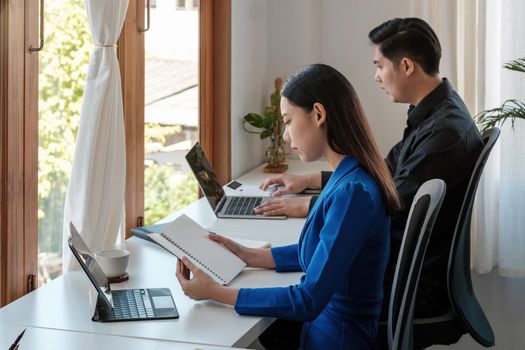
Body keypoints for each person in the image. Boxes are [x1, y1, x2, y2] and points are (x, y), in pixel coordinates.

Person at [256, 18, 483, 347]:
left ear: (405, 65)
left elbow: (388, 204)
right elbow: (384, 174)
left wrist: (311, 206)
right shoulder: (435, 114)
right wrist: (309, 179)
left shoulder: (443, 132)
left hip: (412, 286)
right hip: (407, 271)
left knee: (280, 324)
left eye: (379, 66)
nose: (376, 76)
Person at [176, 63, 401, 349]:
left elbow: (308, 300)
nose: (285, 136)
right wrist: (248, 255)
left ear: (319, 114)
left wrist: (216, 292)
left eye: (289, 121)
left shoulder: (352, 193)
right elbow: (324, 253)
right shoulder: (350, 176)